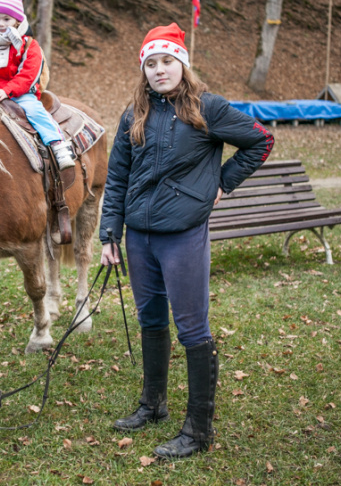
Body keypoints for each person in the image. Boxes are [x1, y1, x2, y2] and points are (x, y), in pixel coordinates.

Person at [99, 23, 274, 459]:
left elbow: (260, 141)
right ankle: (152, 405)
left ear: (182, 64)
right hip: (139, 237)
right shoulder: (132, 114)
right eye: (151, 63)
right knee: (151, 320)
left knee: (192, 328)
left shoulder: (207, 108)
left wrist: (221, 182)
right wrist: (110, 233)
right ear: (145, 70)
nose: (160, 70)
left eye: (167, 61)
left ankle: (198, 429)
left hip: (183, 234)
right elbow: (117, 176)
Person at [0, 0, 74, 170]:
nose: (1, 24)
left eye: (6, 19)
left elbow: (28, 74)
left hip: (20, 93)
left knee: (35, 112)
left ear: (17, 21)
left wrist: (8, 90)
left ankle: (58, 145)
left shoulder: (28, 46)